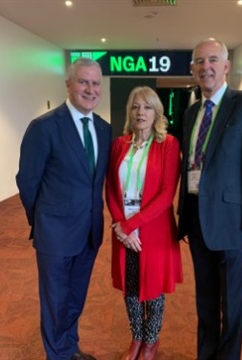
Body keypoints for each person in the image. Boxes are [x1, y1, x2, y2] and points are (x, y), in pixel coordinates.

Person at [177, 39, 242, 360]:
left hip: (233, 227)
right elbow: (190, 165)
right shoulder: (191, 112)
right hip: (198, 223)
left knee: (232, 307)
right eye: (199, 62)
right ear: (193, 69)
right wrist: (185, 218)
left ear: (226, 66)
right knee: (205, 302)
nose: (206, 67)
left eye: (213, 60)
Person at [16, 58, 112, 360]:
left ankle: (69, 349)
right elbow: (28, 181)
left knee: (74, 299)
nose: (90, 89)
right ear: (68, 84)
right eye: (83, 82)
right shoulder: (44, 127)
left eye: (96, 83)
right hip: (55, 234)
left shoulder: (104, 129)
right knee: (55, 302)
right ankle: (57, 355)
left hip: (89, 233)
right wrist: (43, 220)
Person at [106, 86, 183, 360]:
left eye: (147, 107)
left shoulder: (168, 145)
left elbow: (166, 195)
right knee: (131, 286)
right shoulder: (119, 145)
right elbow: (111, 190)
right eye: (136, 107)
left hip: (154, 229)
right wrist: (120, 225)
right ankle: (136, 338)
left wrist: (131, 225)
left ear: (157, 112)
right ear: (129, 111)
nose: (141, 113)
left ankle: (151, 340)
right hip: (124, 230)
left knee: (152, 288)